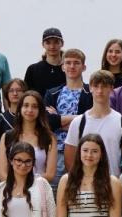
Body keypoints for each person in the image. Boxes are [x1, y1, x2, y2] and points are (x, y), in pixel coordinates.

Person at [65, 71, 122, 178]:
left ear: (111, 89)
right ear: (90, 88)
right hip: (85, 185)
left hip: (113, 183)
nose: (100, 91)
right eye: (96, 86)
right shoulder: (78, 122)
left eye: (104, 86)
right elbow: (70, 159)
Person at [43, 49, 91, 187]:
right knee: (55, 190)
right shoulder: (53, 93)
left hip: (82, 150)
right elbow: (48, 122)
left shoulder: (90, 92)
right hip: (57, 151)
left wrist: (59, 118)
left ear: (84, 67)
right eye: (68, 63)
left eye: (76, 63)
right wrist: (79, 118)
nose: (72, 66)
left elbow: (89, 122)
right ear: (62, 66)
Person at [0, 91, 58, 182]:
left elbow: (50, 175)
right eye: (26, 105)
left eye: (34, 106)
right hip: (12, 190)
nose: (30, 110)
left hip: (38, 190)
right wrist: (17, 186)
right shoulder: (7, 137)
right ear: (20, 108)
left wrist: (27, 183)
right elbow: (2, 173)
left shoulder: (49, 138)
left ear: (40, 110)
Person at [24, 28, 66, 97]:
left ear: (62, 43)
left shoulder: (70, 70)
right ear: (43, 44)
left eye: (56, 42)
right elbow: (26, 97)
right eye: (48, 43)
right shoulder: (33, 70)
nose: (52, 46)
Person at [0, 78, 27, 145]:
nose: (15, 93)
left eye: (18, 90)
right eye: (11, 91)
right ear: (7, 94)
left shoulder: (30, 117)